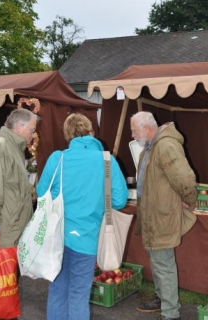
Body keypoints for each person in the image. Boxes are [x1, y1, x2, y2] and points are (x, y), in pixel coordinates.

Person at [36, 113, 128, 320]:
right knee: (79, 295)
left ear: (68, 135)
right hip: (87, 237)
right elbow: (120, 200)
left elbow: (42, 193)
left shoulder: (57, 158)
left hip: (57, 236)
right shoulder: (107, 161)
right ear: (91, 132)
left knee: (57, 291)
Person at [130, 111, 198, 320]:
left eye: (133, 130)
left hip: (162, 215)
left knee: (163, 263)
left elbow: (184, 178)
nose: (132, 135)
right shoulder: (150, 148)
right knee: (157, 260)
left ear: (146, 127)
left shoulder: (166, 145)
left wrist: (190, 199)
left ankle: (170, 312)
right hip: (153, 215)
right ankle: (162, 299)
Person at [0, 108, 39, 249]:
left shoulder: (13, 149)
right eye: (32, 130)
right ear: (19, 127)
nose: (33, 134)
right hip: (3, 235)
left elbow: (13, 185)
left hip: (12, 232)